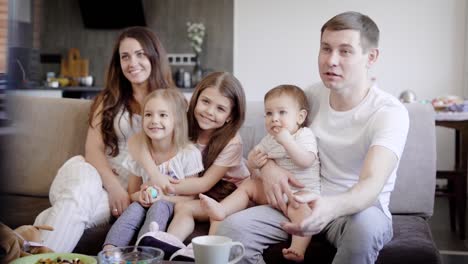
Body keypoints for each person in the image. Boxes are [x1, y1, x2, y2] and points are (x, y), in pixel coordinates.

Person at [216, 11, 410, 264]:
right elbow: (277, 143)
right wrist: (268, 167)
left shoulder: (389, 113)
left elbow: (371, 185)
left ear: (370, 57)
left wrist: (329, 207)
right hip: (300, 202)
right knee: (231, 229)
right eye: (325, 49)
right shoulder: (311, 97)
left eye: (345, 51)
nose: (331, 60)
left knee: (366, 227)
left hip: (357, 211)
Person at [33, 26, 174, 252]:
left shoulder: (172, 103)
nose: (132, 63)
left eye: (140, 54)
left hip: (117, 195)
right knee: (81, 188)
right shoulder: (108, 99)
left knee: (68, 211)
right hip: (89, 173)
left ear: (154, 56)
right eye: (125, 57)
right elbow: (93, 150)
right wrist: (114, 187)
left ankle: (30, 246)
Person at [127, 71, 250, 259]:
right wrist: (155, 175)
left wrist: (161, 186)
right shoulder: (181, 122)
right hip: (198, 193)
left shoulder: (232, 141)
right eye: (206, 102)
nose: (209, 111)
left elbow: (204, 184)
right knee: (182, 208)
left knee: (193, 210)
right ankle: (169, 243)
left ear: (230, 117)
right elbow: (136, 141)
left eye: (220, 108)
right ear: (195, 98)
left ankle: (204, 249)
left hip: (229, 193)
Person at [200, 84, 320, 262]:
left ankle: (297, 248)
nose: (274, 119)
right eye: (269, 113)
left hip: (300, 193)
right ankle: (222, 209)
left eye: (282, 112)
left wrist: (287, 142)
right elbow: (252, 163)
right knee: (249, 185)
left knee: (301, 210)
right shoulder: (269, 140)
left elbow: (306, 161)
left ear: (300, 117)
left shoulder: (303, 135)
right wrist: (254, 162)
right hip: (273, 194)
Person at [102, 88, 204, 249]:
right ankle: (110, 250)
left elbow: (191, 198)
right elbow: (132, 193)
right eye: (148, 114)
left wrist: (163, 198)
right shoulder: (140, 154)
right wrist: (141, 196)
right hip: (145, 204)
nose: (154, 120)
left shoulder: (189, 154)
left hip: (171, 206)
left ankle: (146, 250)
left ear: (176, 120)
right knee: (134, 209)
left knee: (159, 206)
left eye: (163, 115)